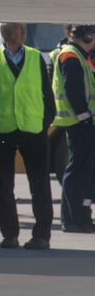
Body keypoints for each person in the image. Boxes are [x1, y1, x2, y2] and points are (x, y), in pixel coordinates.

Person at [0, 23, 55, 249]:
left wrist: (44, 123)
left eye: (19, 31)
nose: (18, 34)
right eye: (14, 31)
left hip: (33, 130)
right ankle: (10, 234)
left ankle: (41, 235)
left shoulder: (35, 57)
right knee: (4, 184)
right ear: (4, 34)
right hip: (2, 130)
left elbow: (46, 93)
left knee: (40, 183)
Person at [52, 24, 95, 232]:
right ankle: (72, 218)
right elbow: (73, 89)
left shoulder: (80, 55)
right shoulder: (70, 56)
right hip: (79, 123)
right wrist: (84, 116)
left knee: (84, 171)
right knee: (76, 170)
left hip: (84, 122)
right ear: (88, 36)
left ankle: (81, 215)